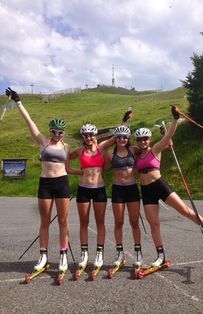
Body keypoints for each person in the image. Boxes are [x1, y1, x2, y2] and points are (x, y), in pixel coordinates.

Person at [134, 105, 203, 267]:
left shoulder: (155, 148)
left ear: (149, 139)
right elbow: (121, 146)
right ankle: (160, 255)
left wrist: (175, 119)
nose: (143, 141)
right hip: (146, 191)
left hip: (159, 185)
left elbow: (169, 135)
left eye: (145, 139)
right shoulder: (136, 154)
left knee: (184, 210)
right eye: (140, 139)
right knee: (154, 224)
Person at [5, 87, 72, 273]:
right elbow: (29, 122)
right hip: (46, 184)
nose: (57, 134)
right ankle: (43, 256)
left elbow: (80, 159)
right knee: (44, 221)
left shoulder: (66, 147)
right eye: (54, 131)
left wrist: (86, 174)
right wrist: (18, 101)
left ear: (64, 133)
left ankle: (63, 255)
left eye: (60, 132)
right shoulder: (43, 141)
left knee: (63, 221)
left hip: (62, 184)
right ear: (50, 131)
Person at [69, 111, 132, 270]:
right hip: (83, 189)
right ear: (83, 136)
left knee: (100, 222)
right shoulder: (78, 150)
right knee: (84, 222)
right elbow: (63, 159)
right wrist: (77, 172)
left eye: (90, 134)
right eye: (85, 135)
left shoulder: (101, 147)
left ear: (94, 135)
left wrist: (124, 120)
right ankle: (84, 253)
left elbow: (116, 135)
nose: (88, 137)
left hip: (99, 189)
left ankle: (99, 253)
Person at [105, 125, 142, 268]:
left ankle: (138, 251)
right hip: (118, 190)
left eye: (124, 137)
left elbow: (148, 151)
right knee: (118, 222)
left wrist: (167, 145)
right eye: (119, 137)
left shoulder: (133, 150)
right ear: (115, 138)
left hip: (132, 189)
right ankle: (120, 253)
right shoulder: (110, 154)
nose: (122, 139)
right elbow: (103, 167)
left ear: (128, 139)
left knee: (134, 222)